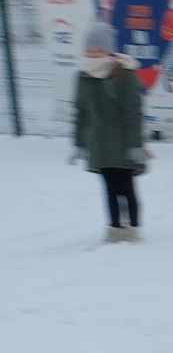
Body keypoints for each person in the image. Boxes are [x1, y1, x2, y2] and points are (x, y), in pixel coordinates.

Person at [70, 23, 148, 243]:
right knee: (109, 188)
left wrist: (136, 145)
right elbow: (80, 112)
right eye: (89, 50)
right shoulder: (83, 77)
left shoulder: (124, 75)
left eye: (98, 50)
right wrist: (79, 143)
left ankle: (132, 229)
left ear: (109, 51)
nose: (92, 54)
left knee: (126, 187)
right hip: (100, 144)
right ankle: (114, 228)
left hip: (123, 142)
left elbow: (133, 112)